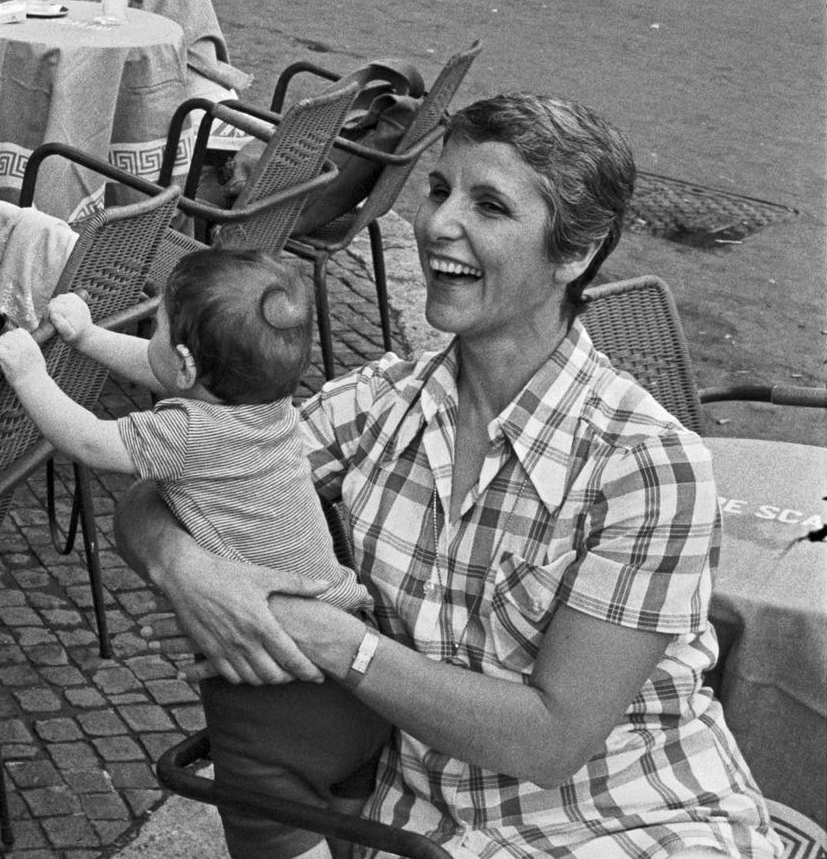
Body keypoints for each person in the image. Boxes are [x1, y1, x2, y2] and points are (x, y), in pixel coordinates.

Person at [118, 93, 779, 859]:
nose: (436, 223)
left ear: (575, 252)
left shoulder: (647, 468)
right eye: (438, 189)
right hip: (420, 823)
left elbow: (549, 740)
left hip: (630, 820)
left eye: (489, 204)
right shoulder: (380, 404)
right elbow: (153, 494)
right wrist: (188, 568)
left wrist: (337, 641)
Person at [0, 250, 391, 859]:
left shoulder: (185, 433)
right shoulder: (269, 410)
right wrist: (91, 337)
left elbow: (88, 439)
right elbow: (169, 371)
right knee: (350, 838)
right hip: (357, 686)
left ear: (184, 362)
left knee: (278, 838)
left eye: (156, 325)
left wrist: (29, 373)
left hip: (271, 696)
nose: (150, 337)